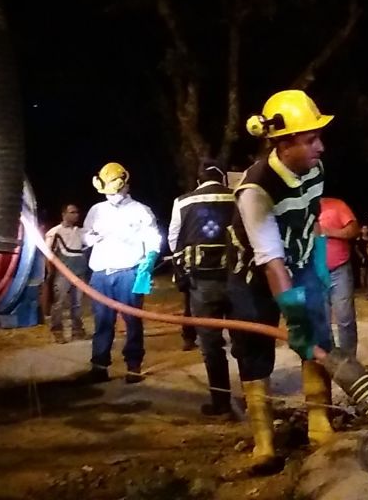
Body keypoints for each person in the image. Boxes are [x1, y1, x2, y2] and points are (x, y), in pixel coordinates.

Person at [226, 89, 335, 472]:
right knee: (255, 349)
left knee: (318, 338)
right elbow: (271, 263)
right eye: (311, 139)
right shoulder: (256, 189)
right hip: (254, 278)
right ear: (284, 143)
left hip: (300, 264)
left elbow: (313, 221)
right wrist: (294, 315)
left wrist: (318, 266)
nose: (320, 147)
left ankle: (320, 422)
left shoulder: (315, 170)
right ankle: (264, 442)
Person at [80, 162, 162, 384]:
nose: (112, 196)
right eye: (108, 193)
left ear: (126, 185)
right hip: (101, 274)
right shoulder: (96, 210)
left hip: (129, 273)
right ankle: (99, 366)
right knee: (102, 322)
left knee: (132, 321)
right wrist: (90, 238)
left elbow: (153, 238)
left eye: (115, 191)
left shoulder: (140, 210)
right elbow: (84, 235)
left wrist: (149, 260)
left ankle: (133, 366)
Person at [168, 159, 237, 416]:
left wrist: (181, 272)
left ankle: (221, 402)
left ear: (199, 180)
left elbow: (173, 239)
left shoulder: (182, 202)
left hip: (202, 281)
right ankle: (256, 399)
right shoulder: (237, 197)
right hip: (236, 278)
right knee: (244, 339)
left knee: (211, 343)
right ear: (223, 178)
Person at [319, 197, 360, 357]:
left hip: (339, 270)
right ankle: (331, 361)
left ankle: (349, 361)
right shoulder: (299, 209)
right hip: (314, 274)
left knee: (345, 318)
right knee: (322, 322)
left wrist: (328, 231)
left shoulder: (336, 205)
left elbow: (354, 229)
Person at [44, 204, 89, 343]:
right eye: (72, 212)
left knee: (77, 303)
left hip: (79, 271)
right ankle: (57, 331)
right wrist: (50, 272)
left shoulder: (80, 231)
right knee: (59, 302)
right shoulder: (55, 232)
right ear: (64, 214)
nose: (76, 215)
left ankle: (77, 331)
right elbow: (47, 253)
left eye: (77, 212)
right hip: (63, 272)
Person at [354, 224, 368, 289]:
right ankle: (363, 288)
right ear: (361, 230)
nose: (365, 230)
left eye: (366, 229)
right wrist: (361, 256)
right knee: (363, 274)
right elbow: (356, 248)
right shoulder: (358, 239)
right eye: (363, 229)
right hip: (362, 258)